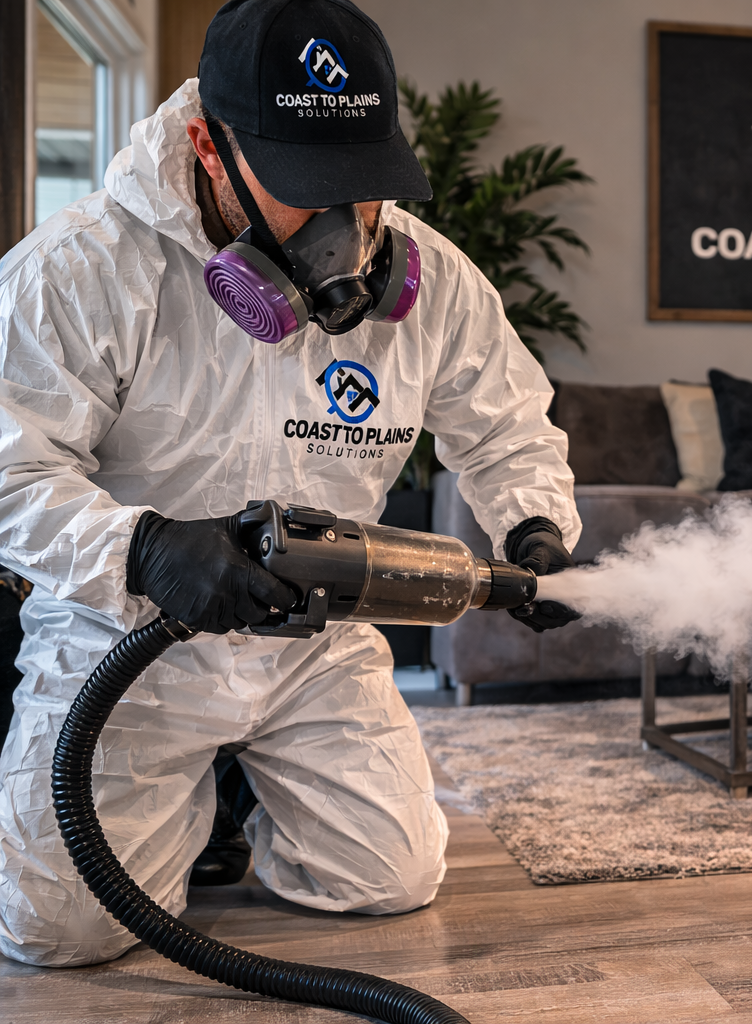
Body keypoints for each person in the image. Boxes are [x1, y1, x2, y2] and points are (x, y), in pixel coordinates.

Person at [0, 0, 580, 967]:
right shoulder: (81, 270)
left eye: (364, 185)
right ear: (207, 146)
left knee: (389, 881)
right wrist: (139, 548)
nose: (347, 229)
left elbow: (509, 423)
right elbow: (8, 466)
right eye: (306, 187)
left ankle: (236, 796)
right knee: (59, 935)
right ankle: (186, 799)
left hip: (318, 639)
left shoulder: (431, 281)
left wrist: (532, 527)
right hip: (131, 635)